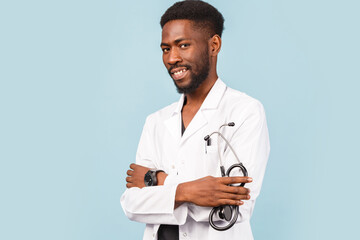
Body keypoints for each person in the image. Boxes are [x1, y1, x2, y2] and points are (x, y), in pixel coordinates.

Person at [120, 1, 270, 239]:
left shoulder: (245, 111)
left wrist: (158, 181)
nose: (172, 58)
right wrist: (190, 191)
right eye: (165, 49)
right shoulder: (156, 122)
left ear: (214, 45)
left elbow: (230, 212)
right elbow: (132, 204)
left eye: (183, 45)